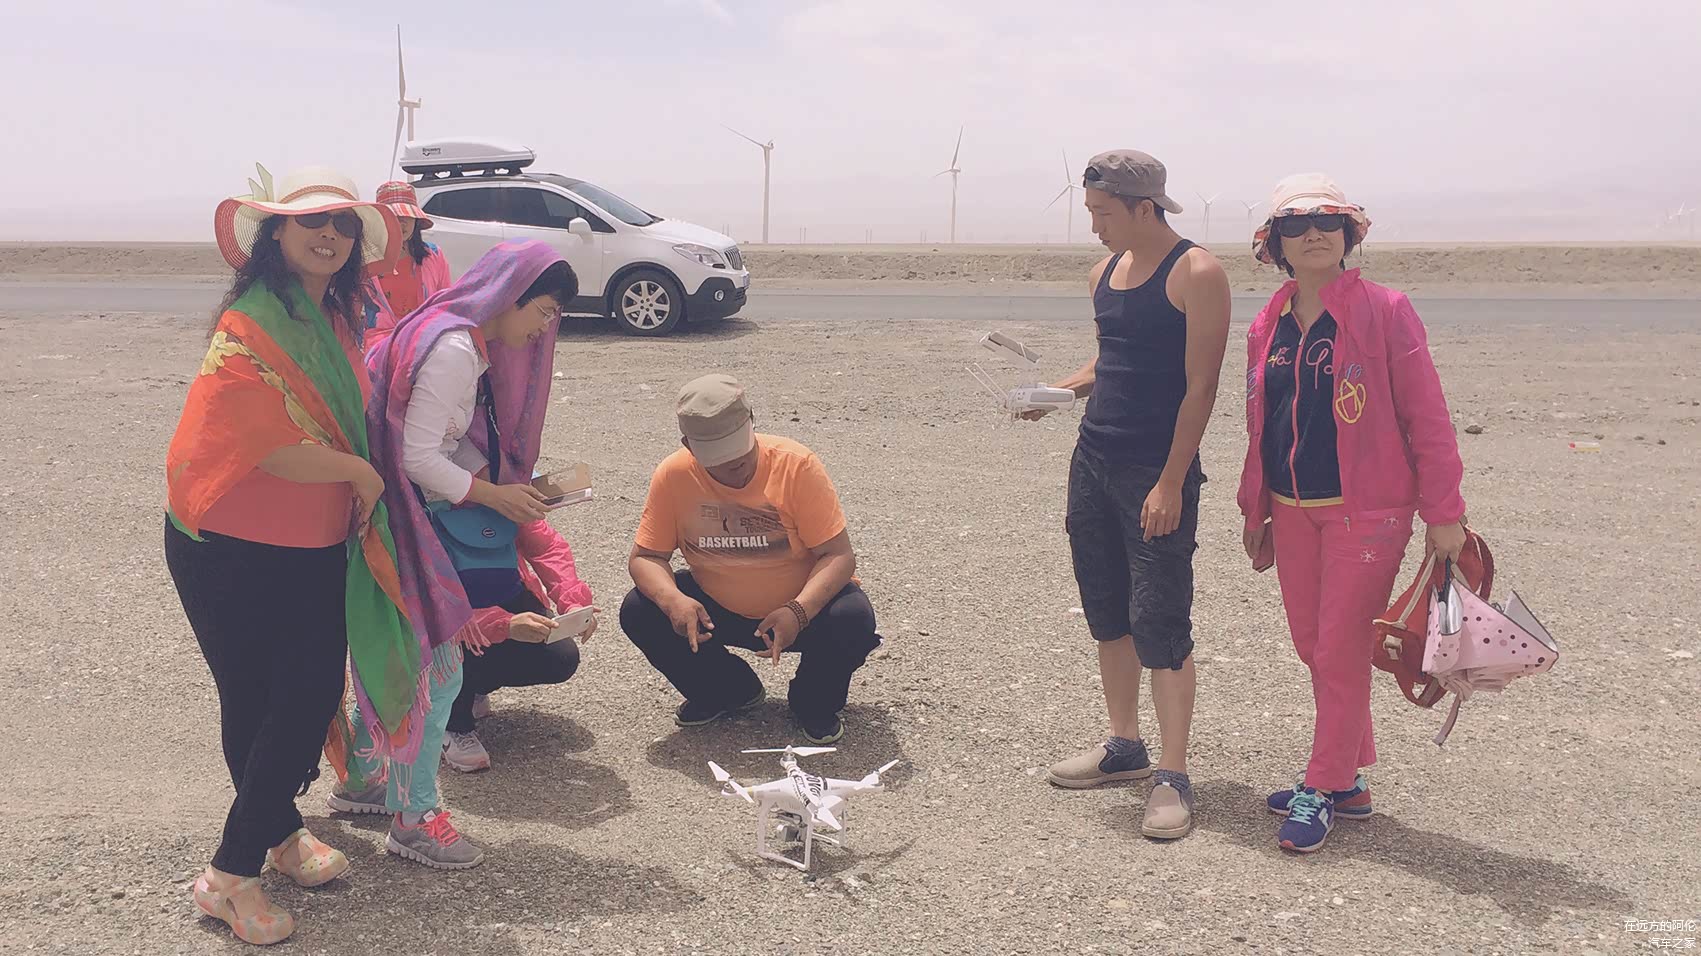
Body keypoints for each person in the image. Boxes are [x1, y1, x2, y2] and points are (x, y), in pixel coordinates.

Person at [164, 163, 411, 945]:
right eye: (311, 222)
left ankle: (276, 831)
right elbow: (264, 446)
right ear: (276, 234)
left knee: (294, 697)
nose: (329, 235)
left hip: (309, 542)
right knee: (272, 699)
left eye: (342, 224)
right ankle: (230, 877)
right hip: (227, 544)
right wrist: (360, 473)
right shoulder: (250, 325)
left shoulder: (331, 315)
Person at [326, 240, 577, 869]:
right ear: (510, 295)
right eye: (545, 311)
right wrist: (494, 494)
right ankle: (414, 820)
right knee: (438, 673)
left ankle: (361, 781)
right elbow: (417, 456)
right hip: (410, 522)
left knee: (400, 655)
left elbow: (430, 440)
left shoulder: (446, 331)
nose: (545, 327)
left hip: (393, 515)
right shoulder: (457, 351)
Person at [1238, 173, 1467, 853]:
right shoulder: (1267, 322)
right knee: (1314, 646)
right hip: (1291, 509)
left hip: (1365, 512)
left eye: (1327, 221)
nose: (1313, 233)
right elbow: (1262, 421)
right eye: (1296, 223)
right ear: (1276, 243)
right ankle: (1348, 780)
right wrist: (1256, 506)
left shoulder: (1386, 310)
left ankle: (1323, 781)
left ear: (1348, 234)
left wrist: (1444, 511)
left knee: (1338, 649)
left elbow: (1426, 415)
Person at [1025, 150, 1231, 840]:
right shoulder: (1102, 274)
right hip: (1093, 461)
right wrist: (1054, 394)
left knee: (1160, 622)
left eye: (1102, 213)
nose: (1095, 227)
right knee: (1107, 611)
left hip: (1155, 470)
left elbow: (1200, 385)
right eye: (1090, 213)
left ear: (1145, 208)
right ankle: (1124, 746)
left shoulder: (1196, 273)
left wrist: (1171, 481)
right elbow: (1110, 361)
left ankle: (1172, 774)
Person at [619, 374, 881, 745]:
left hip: (799, 609)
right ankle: (728, 690)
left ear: (752, 421)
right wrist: (674, 600)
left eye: (741, 453)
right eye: (720, 461)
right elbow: (646, 557)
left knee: (852, 617)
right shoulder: (674, 475)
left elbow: (838, 555)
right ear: (689, 447)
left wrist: (799, 611)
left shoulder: (796, 465)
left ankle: (813, 703)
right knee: (639, 609)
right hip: (718, 610)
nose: (736, 467)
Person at [442, 517, 597, 772]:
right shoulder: (420, 505)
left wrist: (573, 601)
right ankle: (452, 723)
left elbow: (546, 546)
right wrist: (505, 625)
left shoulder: (503, 495)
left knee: (560, 657)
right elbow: (429, 604)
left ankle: (473, 687)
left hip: (505, 594)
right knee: (451, 644)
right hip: (447, 617)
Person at [361, 180, 451, 349]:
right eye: (393, 216)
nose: (401, 222)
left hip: (425, 338)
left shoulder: (434, 256)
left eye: (406, 216)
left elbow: (445, 304)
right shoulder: (365, 260)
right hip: (380, 344)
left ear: (416, 219)